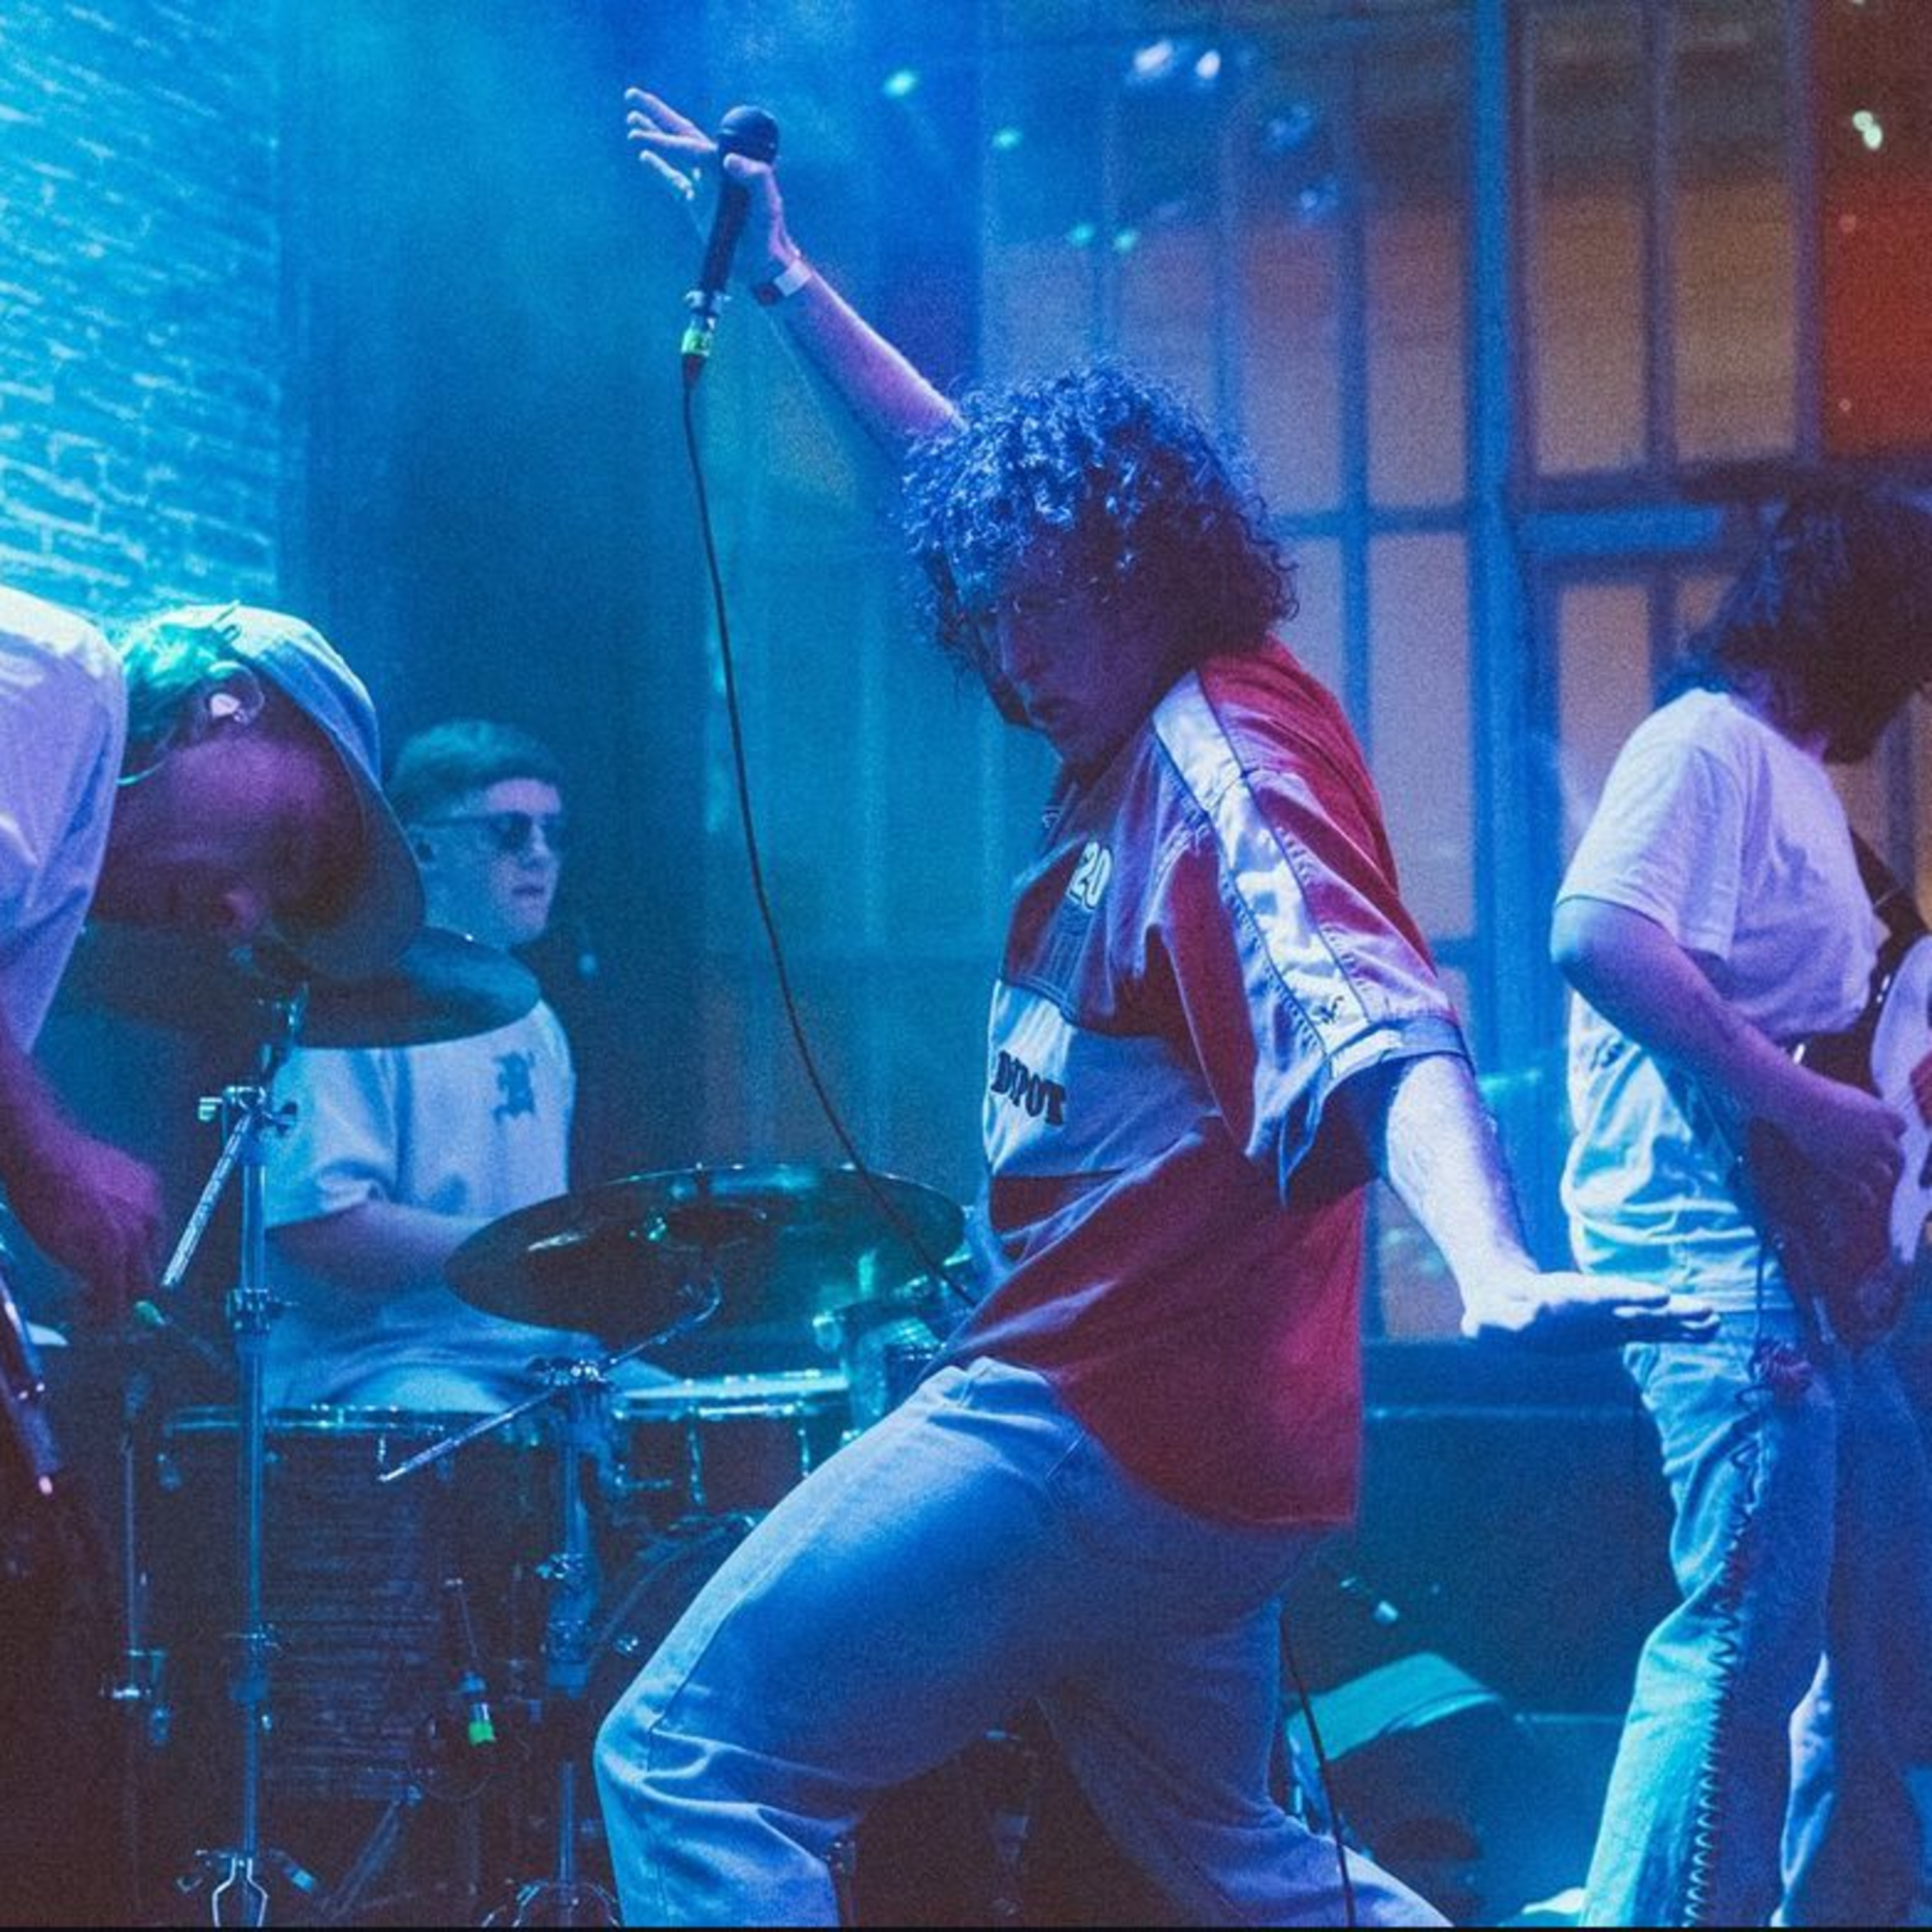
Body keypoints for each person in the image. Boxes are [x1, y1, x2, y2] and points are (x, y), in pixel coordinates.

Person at [592, 93, 1716, 1927]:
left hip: (1097, 1417)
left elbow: (1375, 1018)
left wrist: (1493, 1262)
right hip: (1215, 1464)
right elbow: (966, 478)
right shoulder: (1140, 692)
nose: (1011, 656)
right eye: (987, 615)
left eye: (1039, 609)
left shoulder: (1218, 771)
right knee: (1244, 1865)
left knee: (688, 1755)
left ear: (1142, 569)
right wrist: (789, 287)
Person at [1553, 487, 1932, 1927]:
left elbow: (1836, 1033)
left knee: (1861, 1641)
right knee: (1739, 1644)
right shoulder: (1705, 743)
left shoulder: (1793, 784)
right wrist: (1814, 1113)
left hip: (1802, 1278)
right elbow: (1600, 938)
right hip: (1719, 1264)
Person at [263, 719, 599, 1412]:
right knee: (487, 1440)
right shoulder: (353, 1013)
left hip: (538, 1359)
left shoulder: (539, 1023)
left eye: (554, 832)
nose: (539, 855)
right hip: (379, 1362)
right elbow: (319, 1227)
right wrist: (519, 1249)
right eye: (509, 831)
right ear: (422, 848)